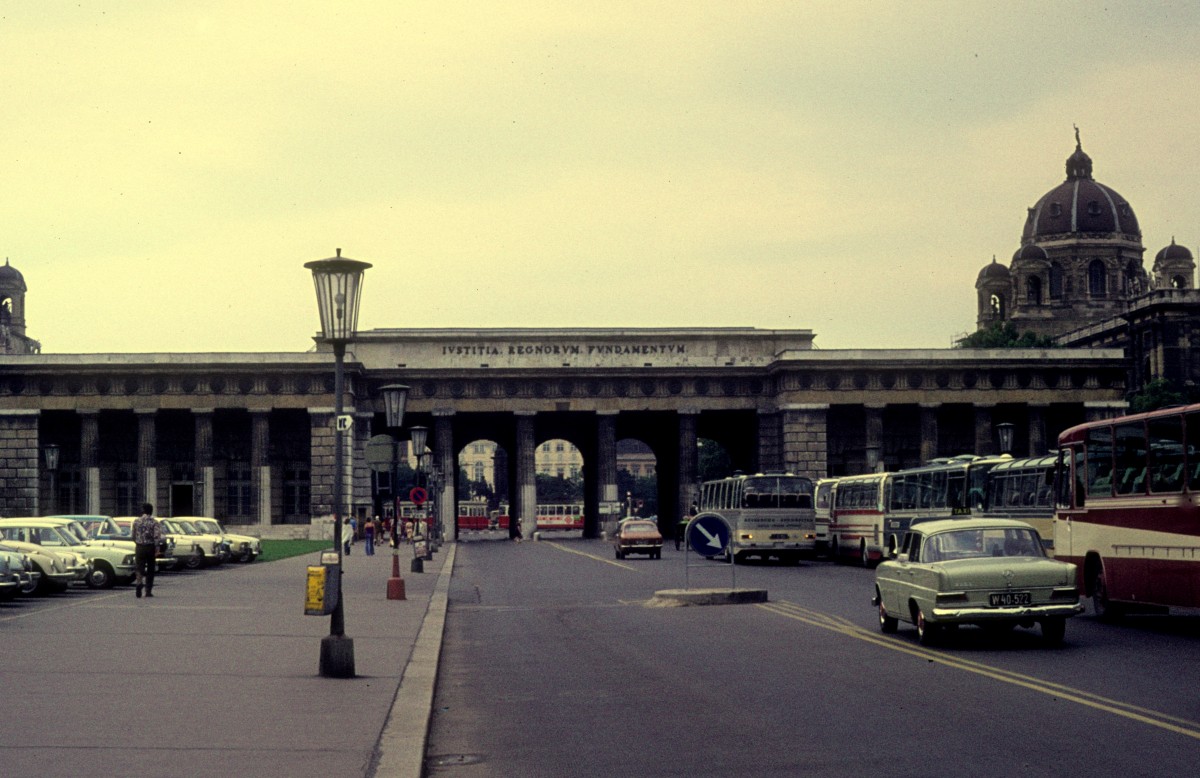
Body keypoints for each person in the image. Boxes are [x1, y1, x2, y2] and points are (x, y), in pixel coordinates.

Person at [131, 502, 163, 599]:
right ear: (151, 511)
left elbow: (133, 535)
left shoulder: (136, 521)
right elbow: (156, 536)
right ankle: (148, 590)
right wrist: (157, 548)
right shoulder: (154, 522)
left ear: (143, 511)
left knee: (139, 567)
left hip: (140, 546)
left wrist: (137, 542)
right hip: (150, 547)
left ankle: (139, 582)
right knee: (150, 569)